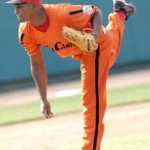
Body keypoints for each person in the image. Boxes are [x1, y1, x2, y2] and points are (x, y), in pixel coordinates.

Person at [5, 0, 136, 149]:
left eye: (19, 6)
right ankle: (120, 12)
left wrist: (93, 37)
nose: (16, 11)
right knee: (111, 47)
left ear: (34, 5)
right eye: (15, 7)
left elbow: (95, 12)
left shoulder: (63, 12)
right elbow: (37, 64)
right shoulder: (25, 31)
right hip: (82, 52)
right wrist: (43, 98)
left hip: (96, 46)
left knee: (91, 101)